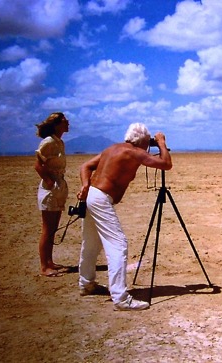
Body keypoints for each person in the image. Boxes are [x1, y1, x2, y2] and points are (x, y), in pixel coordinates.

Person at [77, 123, 172, 311]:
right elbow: (166, 164)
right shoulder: (134, 152)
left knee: (91, 242)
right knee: (118, 245)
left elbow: (85, 166)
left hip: (93, 196)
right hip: (101, 198)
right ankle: (120, 298)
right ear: (143, 141)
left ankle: (86, 283)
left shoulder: (112, 148)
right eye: (147, 142)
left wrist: (85, 185)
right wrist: (161, 143)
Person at [34, 112, 70, 277]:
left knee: (54, 228)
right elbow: (38, 165)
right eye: (64, 121)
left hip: (59, 185)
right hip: (50, 189)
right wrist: (49, 182)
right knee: (47, 229)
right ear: (56, 124)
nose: (67, 123)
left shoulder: (59, 142)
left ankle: (49, 261)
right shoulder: (48, 143)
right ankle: (44, 266)